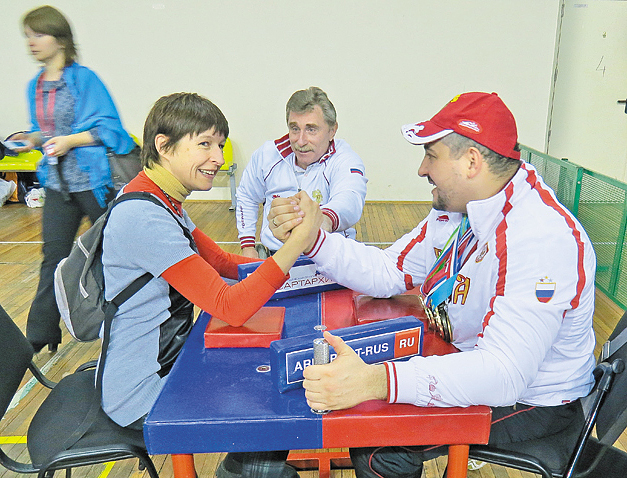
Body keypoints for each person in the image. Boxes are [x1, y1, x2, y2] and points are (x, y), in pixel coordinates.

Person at [269, 92, 597, 478]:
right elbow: (386, 270)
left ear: (471, 161)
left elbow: (503, 375)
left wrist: (378, 380)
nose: (422, 169)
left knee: (378, 444)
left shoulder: (540, 238)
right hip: (468, 356)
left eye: (432, 155)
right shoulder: (461, 211)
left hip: (535, 401)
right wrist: (313, 239)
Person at [100, 92, 317, 471]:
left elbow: (220, 263)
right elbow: (230, 305)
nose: (218, 158)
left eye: (219, 144)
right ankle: (242, 469)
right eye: (205, 144)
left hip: (168, 362)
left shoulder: (159, 197)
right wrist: (297, 243)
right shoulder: (143, 216)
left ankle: (245, 467)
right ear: (163, 146)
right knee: (275, 393)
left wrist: (300, 270)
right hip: (142, 392)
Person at [12, 5, 136, 353]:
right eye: (28, 36)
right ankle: (40, 333)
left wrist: (71, 140)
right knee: (52, 258)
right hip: (57, 185)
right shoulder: (35, 86)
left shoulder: (85, 80)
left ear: (60, 38)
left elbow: (109, 130)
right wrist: (33, 139)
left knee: (115, 254)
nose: (31, 42)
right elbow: (45, 131)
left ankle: (128, 321)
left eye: (38, 34)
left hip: (94, 185)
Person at [236, 86, 367, 258]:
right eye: (295, 128)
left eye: (311, 129)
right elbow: (247, 196)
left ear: (332, 130)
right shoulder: (267, 155)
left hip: (330, 259)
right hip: (275, 257)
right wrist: (247, 245)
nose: (301, 140)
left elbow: (350, 199)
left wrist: (321, 221)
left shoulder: (345, 159)